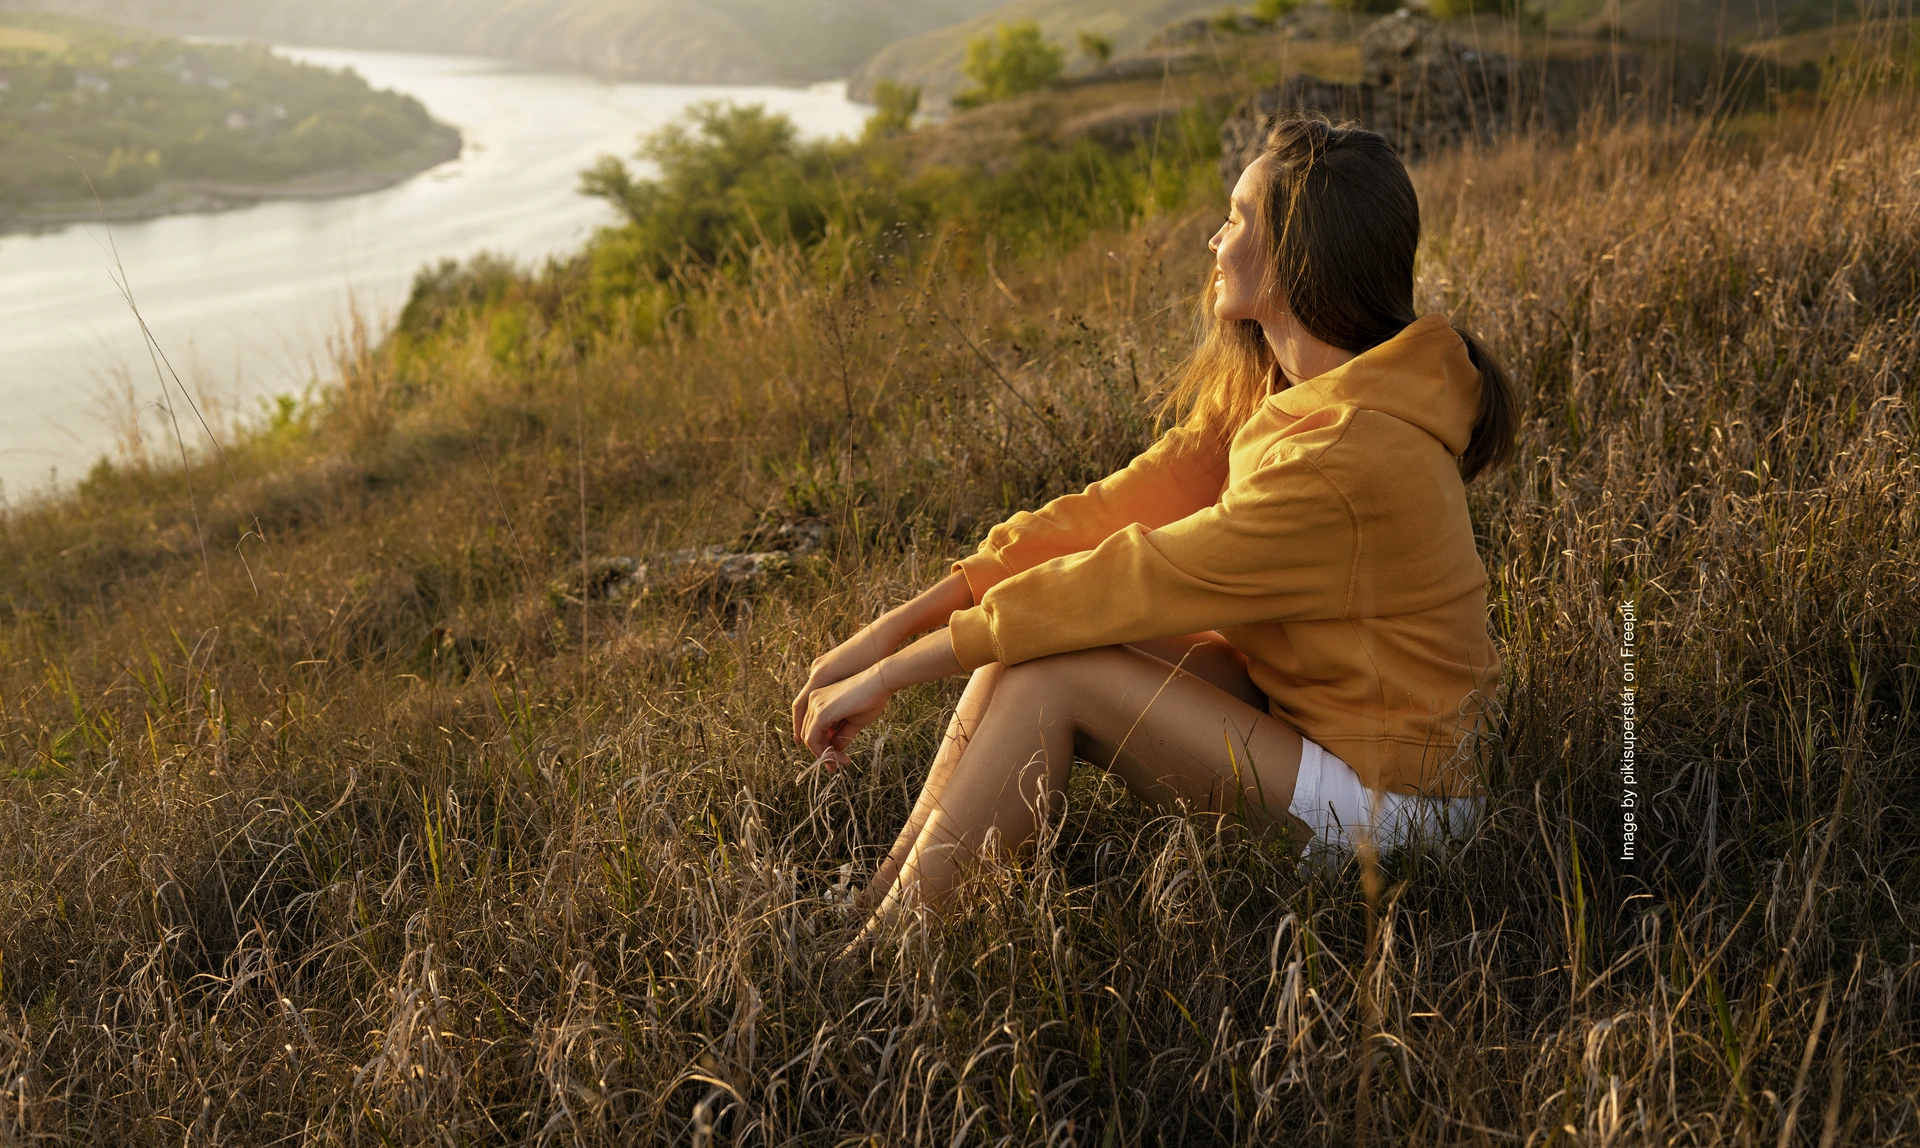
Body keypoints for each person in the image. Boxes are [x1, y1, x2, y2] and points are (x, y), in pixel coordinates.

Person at [791, 115, 1518, 939]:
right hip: (1318, 731)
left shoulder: (1342, 453)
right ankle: (876, 907)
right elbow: (1110, 512)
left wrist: (892, 677)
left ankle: (886, 960)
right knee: (1036, 648)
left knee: (1051, 673)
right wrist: (884, 634)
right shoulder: (1296, 392)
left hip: (1402, 820)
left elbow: (1131, 579)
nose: (1214, 238)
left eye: (1237, 218)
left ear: (1293, 256)